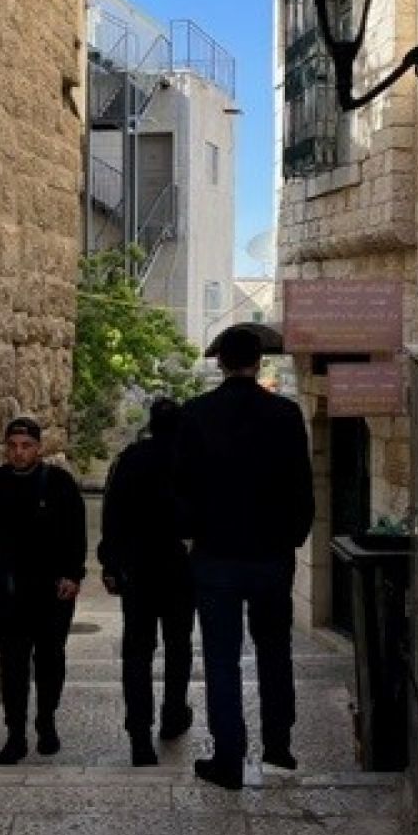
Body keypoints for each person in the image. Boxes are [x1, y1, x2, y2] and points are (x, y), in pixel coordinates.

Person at [175, 326, 315, 790]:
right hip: (272, 556)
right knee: (275, 651)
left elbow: (183, 491)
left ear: (220, 363)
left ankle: (229, 758)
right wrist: (293, 536)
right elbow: (301, 486)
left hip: (216, 556)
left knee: (221, 658)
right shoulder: (286, 414)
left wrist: (191, 533)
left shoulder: (195, 415)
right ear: (259, 363)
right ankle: (278, 746)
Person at [0, 417, 87, 765]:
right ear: (6, 447)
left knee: (50, 660)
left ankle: (46, 723)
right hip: (10, 589)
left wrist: (73, 574)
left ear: (38, 447)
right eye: (13, 446)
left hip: (53, 590)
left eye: (26, 446)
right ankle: (15, 734)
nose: (19, 452)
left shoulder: (59, 484)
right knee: (13, 664)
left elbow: (77, 533)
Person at [99, 398, 195, 767]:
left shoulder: (130, 459)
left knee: (137, 652)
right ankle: (172, 715)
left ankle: (140, 734)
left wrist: (110, 563)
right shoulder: (188, 460)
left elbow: (113, 513)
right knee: (178, 645)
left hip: (138, 569)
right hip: (178, 566)